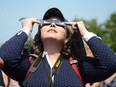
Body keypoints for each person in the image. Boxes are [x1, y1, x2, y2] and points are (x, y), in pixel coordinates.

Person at [0, 7, 116, 87]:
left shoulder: (78, 66)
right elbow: (4, 57)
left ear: (67, 36)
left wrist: (85, 33)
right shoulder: (28, 65)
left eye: (59, 23)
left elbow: (111, 63)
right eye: (47, 22)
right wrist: (25, 30)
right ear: (40, 33)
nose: (53, 24)